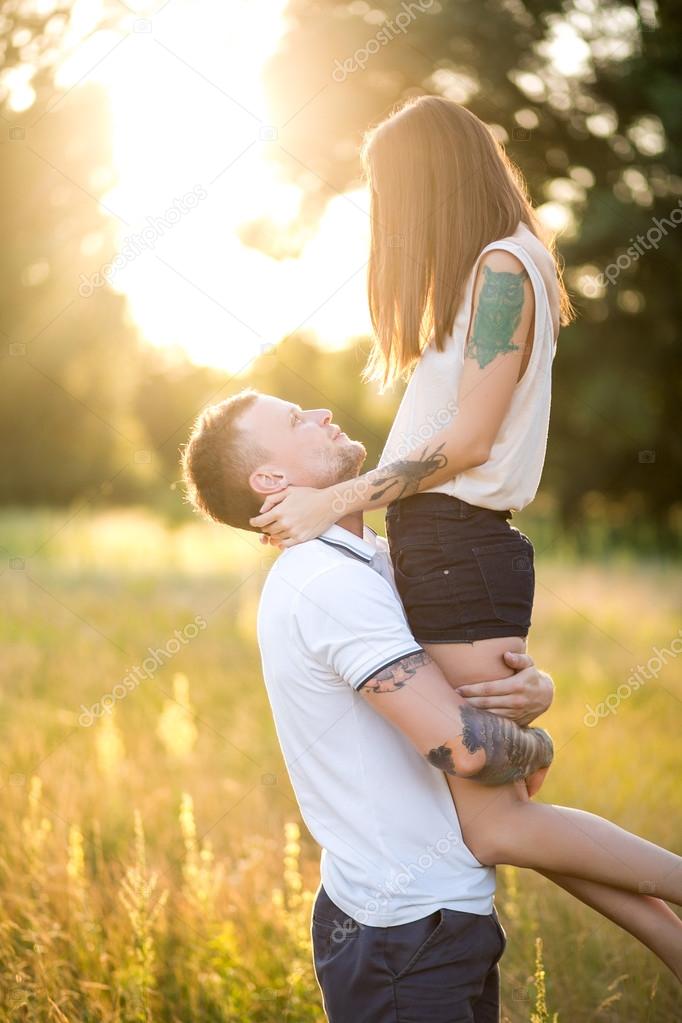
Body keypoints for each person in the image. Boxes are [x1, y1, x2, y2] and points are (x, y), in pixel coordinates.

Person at [246, 97, 682, 980]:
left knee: (496, 822)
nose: (385, 216)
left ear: (427, 182)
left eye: (386, 191)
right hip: (443, 550)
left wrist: (337, 501)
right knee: (501, 815)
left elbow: (473, 439)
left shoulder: (502, 269)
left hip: (456, 546)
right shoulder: (490, 274)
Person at [181, 391, 682, 1022]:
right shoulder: (326, 583)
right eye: (295, 419)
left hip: (445, 916)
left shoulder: (374, 564)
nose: (322, 413)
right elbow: (467, 748)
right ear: (270, 479)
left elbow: (464, 707)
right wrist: (540, 743)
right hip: (400, 938)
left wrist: (536, 692)